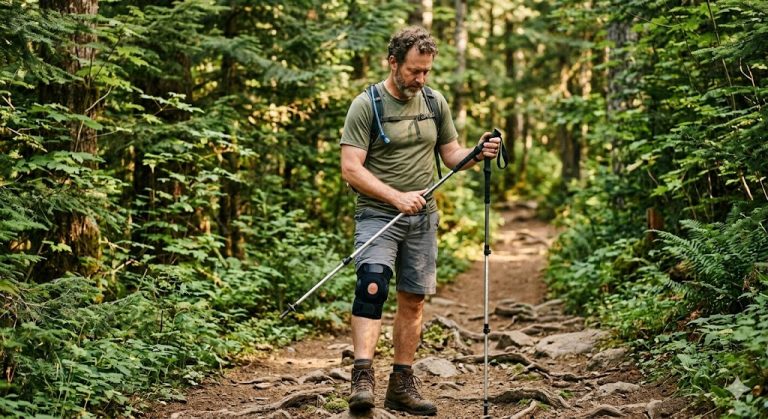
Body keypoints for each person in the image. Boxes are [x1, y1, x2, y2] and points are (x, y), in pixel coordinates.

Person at [339, 26, 501, 415]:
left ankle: (401, 384)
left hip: (423, 218)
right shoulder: (368, 105)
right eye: (414, 71)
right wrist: (396, 197)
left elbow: (450, 154)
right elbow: (350, 169)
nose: (421, 79)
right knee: (373, 285)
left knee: (412, 299)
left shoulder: (433, 102)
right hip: (378, 215)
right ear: (392, 62)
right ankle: (362, 378)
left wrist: (478, 153)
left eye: (427, 71)